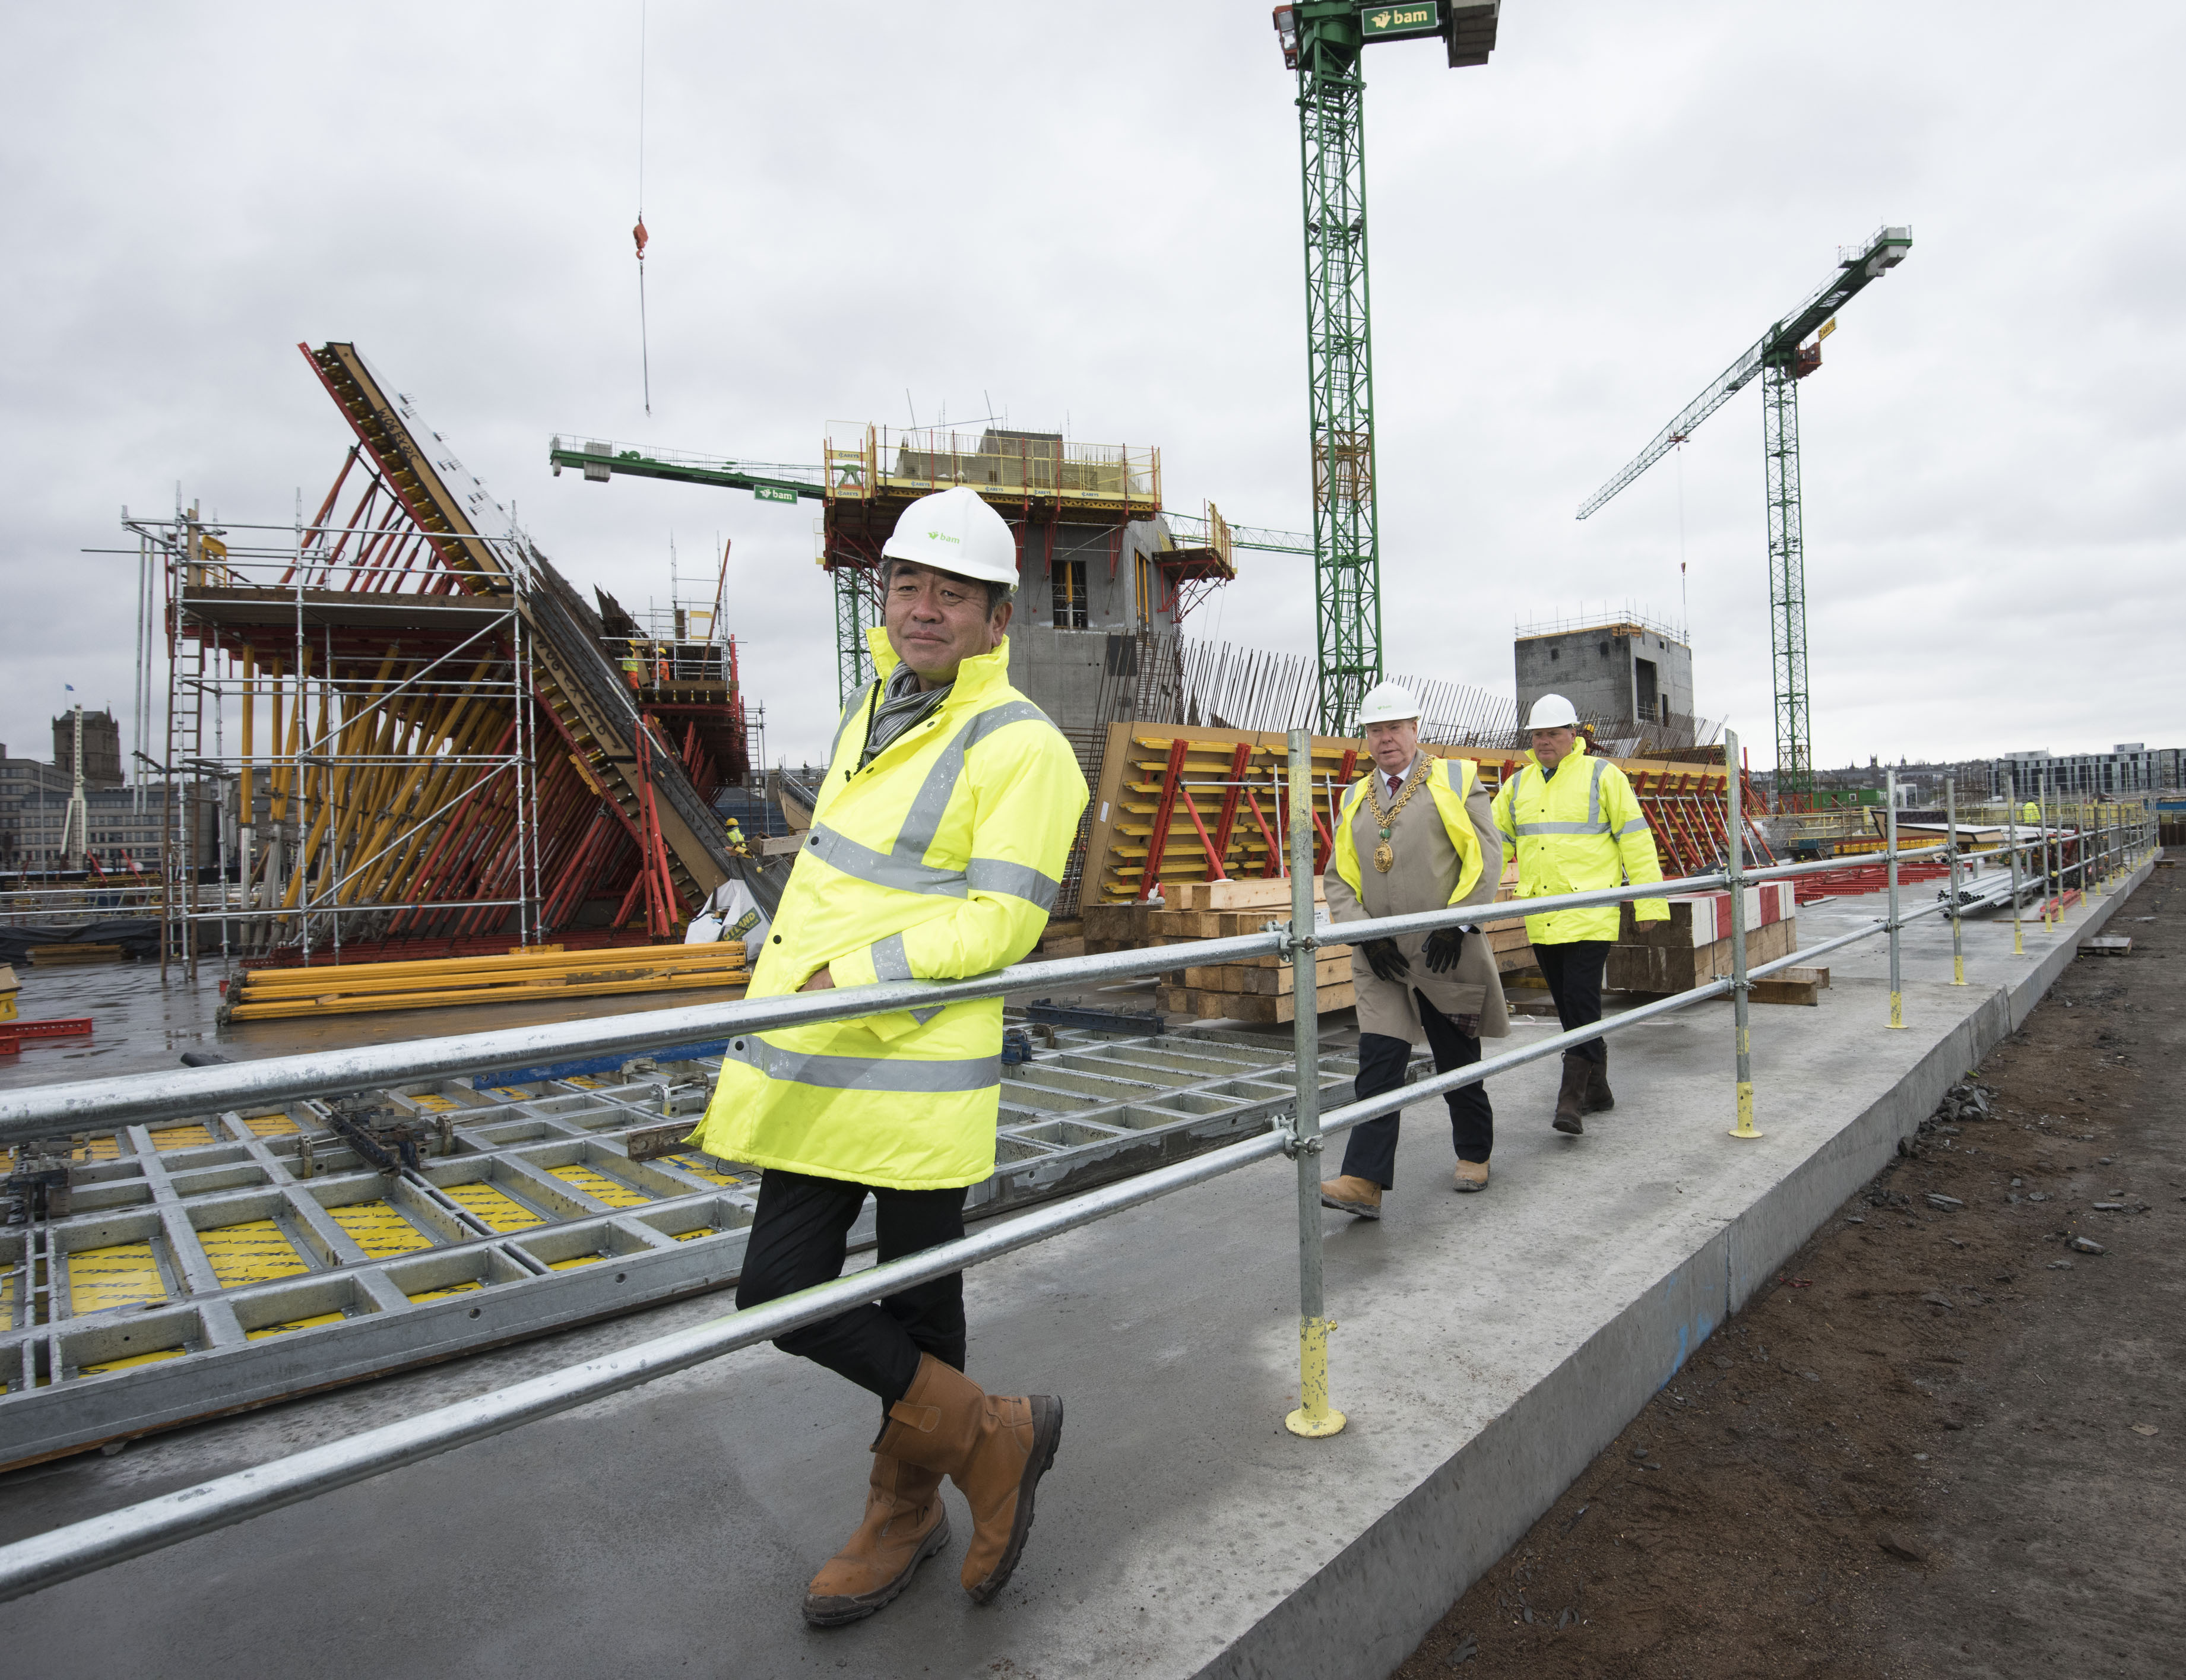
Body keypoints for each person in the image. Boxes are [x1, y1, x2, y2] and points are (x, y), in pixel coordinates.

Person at [691, 484, 1088, 1627]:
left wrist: (847, 981)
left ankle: (902, 1513)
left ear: (995, 618)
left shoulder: (1022, 748)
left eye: (951, 592)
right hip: (821, 1055)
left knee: (917, 1308)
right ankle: (993, 1437)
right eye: (908, 584)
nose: (924, 607)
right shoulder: (872, 710)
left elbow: (1000, 922)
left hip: (910, 1063)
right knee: (783, 1288)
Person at [1318, 683, 1510, 1214]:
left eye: (1395, 728)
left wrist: (1460, 922)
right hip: (1382, 959)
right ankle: (1364, 1180)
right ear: (1366, 738)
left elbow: (1487, 856)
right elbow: (1338, 879)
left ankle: (1474, 1152)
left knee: (1456, 1060)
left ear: (1415, 729)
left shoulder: (1455, 778)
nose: (1386, 740)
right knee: (1378, 1064)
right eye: (1376, 731)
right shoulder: (1355, 796)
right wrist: (1366, 934)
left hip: (1443, 950)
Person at [1491, 695, 1668, 1135]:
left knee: (1582, 1000)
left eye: (1553, 733)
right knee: (1570, 1006)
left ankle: (1569, 1099)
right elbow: (1495, 846)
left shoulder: (1602, 776)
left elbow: (1636, 841)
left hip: (1590, 913)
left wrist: (1649, 903)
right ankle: (1599, 1089)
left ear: (1575, 735)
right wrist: (1465, 896)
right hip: (1543, 914)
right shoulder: (1518, 785)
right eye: (1537, 734)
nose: (1544, 741)